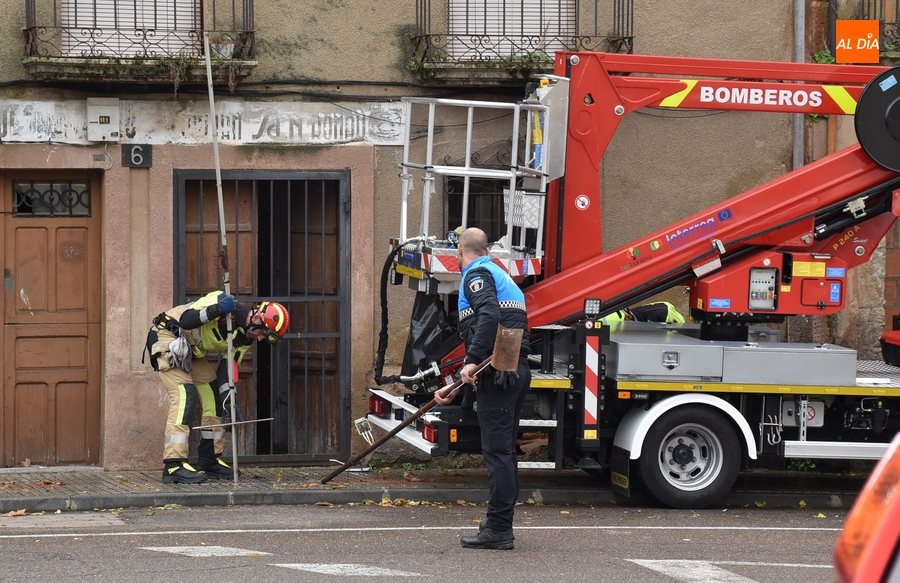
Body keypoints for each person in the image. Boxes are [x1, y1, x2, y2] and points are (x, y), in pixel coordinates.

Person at [435, 227, 530, 550]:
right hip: (511, 370)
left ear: (461, 251)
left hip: (499, 374)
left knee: (498, 453)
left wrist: (472, 360)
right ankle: (497, 522)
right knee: (504, 452)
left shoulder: (475, 274)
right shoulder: (501, 274)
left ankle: (500, 529)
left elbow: (488, 315)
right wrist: (458, 384)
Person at [143, 291, 290, 484]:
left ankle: (209, 460)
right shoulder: (222, 300)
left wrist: (229, 401)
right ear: (256, 317)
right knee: (184, 396)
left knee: (216, 398)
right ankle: (174, 465)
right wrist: (218, 309)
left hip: (190, 351)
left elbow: (227, 369)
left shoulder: (245, 338)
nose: (261, 339)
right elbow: (187, 320)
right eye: (263, 333)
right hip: (168, 337)